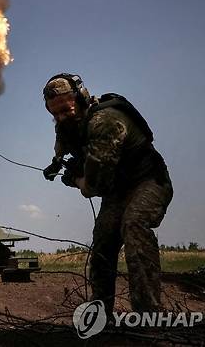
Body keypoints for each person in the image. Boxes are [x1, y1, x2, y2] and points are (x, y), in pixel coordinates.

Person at [42, 73, 173, 314]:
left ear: (81, 99)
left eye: (66, 111)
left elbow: (94, 187)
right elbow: (63, 143)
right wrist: (57, 163)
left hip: (149, 181)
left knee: (134, 224)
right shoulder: (68, 123)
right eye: (54, 113)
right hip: (117, 190)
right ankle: (101, 315)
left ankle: (149, 315)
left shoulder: (104, 122)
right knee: (104, 239)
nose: (60, 117)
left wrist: (76, 179)